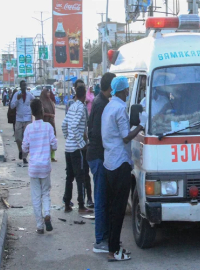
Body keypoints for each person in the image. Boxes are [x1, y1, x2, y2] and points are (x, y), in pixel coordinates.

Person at [101, 76, 147, 261]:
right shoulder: (119, 109)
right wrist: (141, 126)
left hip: (109, 162)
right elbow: (126, 137)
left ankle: (112, 246)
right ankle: (114, 251)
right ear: (121, 90)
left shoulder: (109, 107)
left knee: (113, 208)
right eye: (127, 89)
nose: (129, 92)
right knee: (119, 210)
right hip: (120, 163)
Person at [87, 72, 116, 253]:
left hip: (98, 155)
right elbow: (97, 133)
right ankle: (99, 241)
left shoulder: (100, 101)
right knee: (100, 199)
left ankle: (103, 237)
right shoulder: (102, 104)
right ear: (111, 87)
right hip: (98, 156)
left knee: (103, 198)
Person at [22, 99, 57, 234]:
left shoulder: (29, 128)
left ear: (32, 112)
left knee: (36, 196)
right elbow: (54, 145)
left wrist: (31, 148)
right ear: (42, 111)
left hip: (34, 167)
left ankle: (39, 226)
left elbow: (25, 148)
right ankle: (47, 213)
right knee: (46, 193)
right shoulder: (48, 127)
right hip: (45, 166)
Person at [61, 85, 93, 214]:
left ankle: (67, 203)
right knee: (80, 177)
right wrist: (81, 143)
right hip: (76, 149)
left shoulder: (72, 106)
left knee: (69, 177)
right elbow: (74, 126)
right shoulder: (81, 107)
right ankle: (81, 205)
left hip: (68, 148)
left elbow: (64, 125)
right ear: (84, 95)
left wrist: (68, 138)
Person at [11, 80, 35, 165]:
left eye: (25, 85)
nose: (24, 87)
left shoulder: (29, 95)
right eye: (23, 86)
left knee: (26, 139)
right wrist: (17, 100)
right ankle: (20, 150)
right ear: (20, 87)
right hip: (19, 119)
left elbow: (34, 101)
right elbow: (12, 106)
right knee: (18, 138)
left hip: (27, 119)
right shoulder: (16, 94)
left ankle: (24, 157)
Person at [40, 89, 57, 162]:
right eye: (47, 92)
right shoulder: (41, 102)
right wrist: (50, 115)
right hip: (45, 122)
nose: (48, 94)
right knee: (45, 140)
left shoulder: (50, 101)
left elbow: (53, 111)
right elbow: (40, 113)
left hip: (51, 122)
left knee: (52, 138)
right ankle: (46, 155)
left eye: (49, 92)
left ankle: (52, 156)